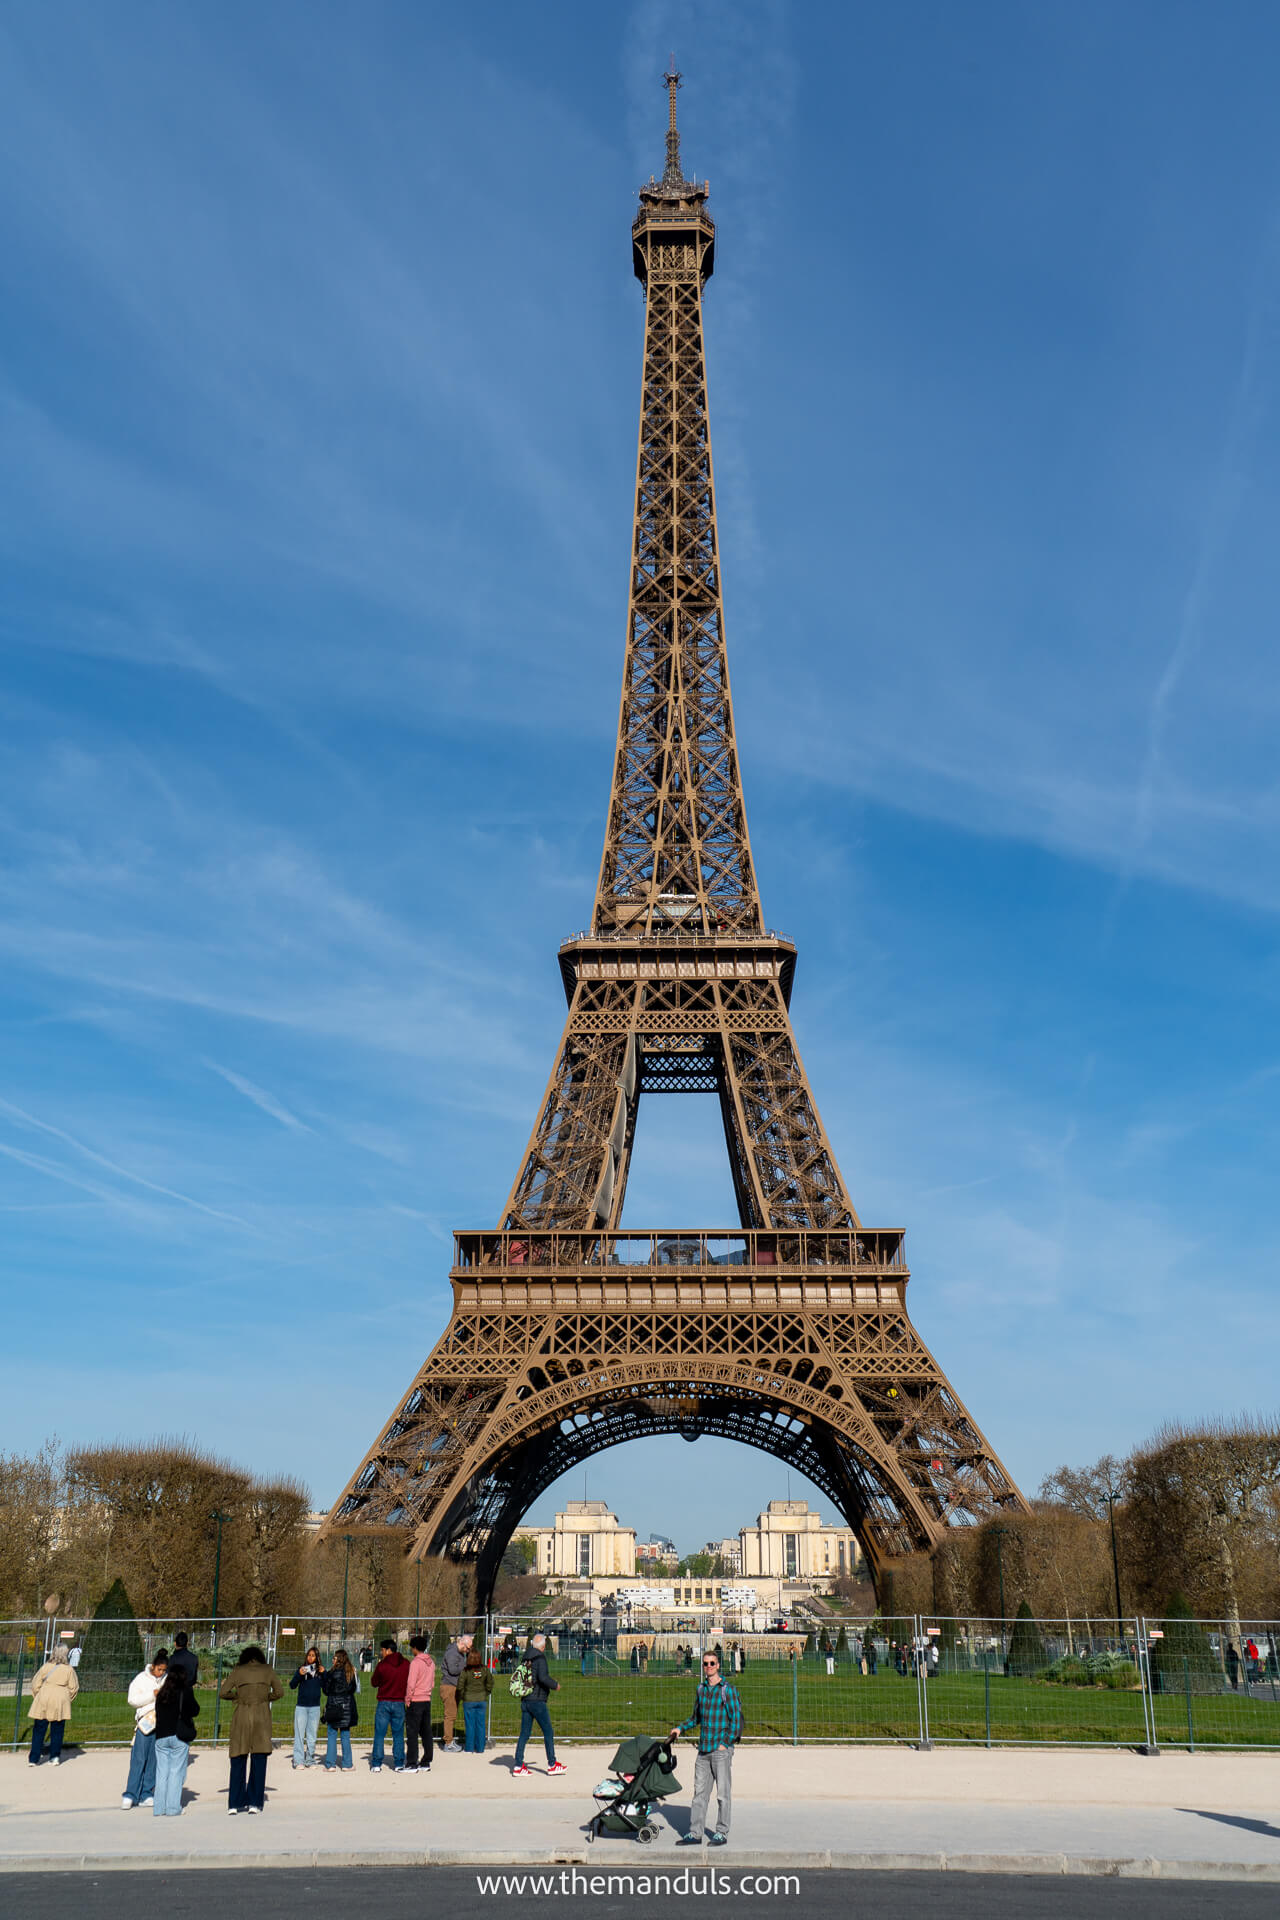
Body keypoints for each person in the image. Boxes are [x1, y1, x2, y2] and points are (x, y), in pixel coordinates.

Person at [670, 1648, 742, 1848]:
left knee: (722, 1794)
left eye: (712, 1663)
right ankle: (695, 1833)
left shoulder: (727, 1690)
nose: (708, 1667)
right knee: (699, 1794)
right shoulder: (701, 1689)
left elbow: (735, 1720)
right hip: (703, 1750)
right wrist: (680, 1728)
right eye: (705, 1663)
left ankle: (721, 1832)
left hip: (720, 1750)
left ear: (718, 1665)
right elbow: (696, 1717)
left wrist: (724, 1744)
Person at [219, 1644, 283, 1815]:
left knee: (238, 1758)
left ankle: (234, 1802)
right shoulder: (267, 1670)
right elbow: (280, 1692)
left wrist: (237, 1697)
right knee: (259, 1759)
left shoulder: (238, 1671)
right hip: (261, 1715)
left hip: (242, 1714)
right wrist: (265, 1697)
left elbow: (223, 1692)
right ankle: (254, 1802)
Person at [511, 1633, 566, 1777]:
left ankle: (518, 1765)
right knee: (548, 1732)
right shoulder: (540, 1658)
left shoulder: (526, 1657)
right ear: (542, 1646)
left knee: (524, 1733)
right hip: (537, 1700)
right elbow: (542, 1677)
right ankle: (552, 1764)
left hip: (526, 1698)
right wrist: (555, 1685)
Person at [152, 1659, 199, 1816]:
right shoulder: (185, 1691)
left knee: (161, 1772)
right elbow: (195, 1710)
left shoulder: (162, 1692)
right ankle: (173, 1808)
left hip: (161, 1736)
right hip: (178, 1735)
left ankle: (159, 1808)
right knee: (176, 1773)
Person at [122, 1649, 168, 1808]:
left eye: (163, 1670)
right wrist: (153, 1695)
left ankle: (146, 1793)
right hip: (145, 1722)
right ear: (153, 1666)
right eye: (158, 1669)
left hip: (161, 1722)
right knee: (138, 1758)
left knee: (153, 1759)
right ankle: (130, 1794)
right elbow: (132, 1700)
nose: (160, 1673)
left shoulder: (166, 1679)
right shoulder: (141, 1679)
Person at [28, 1644, 79, 1766]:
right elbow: (74, 1688)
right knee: (57, 1730)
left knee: (39, 1729)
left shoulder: (45, 1667)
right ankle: (55, 1756)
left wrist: (38, 1697)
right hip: (60, 1699)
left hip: (44, 1698)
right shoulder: (69, 1670)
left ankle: (33, 1759)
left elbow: (35, 1684)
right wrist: (66, 1699)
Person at [370, 1637, 409, 1773]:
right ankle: (398, 1762)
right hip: (399, 1702)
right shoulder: (406, 1664)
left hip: (384, 1701)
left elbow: (374, 1682)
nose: (381, 1652)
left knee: (380, 1734)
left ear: (388, 1650)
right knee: (398, 1734)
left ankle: (376, 1763)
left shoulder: (382, 1665)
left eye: (382, 1650)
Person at [321, 1648, 359, 1770]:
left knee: (332, 1734)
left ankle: (330, 1764)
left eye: (334, 1658)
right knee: (345, 1735)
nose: (332, 1660)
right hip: (346, 1707)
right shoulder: (350, 1673)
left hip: (333, 1706)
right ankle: (347, 1764)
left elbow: (326, 1691)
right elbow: (353, 1689)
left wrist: (325, 1678)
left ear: (338, 1659)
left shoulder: (331, 1673)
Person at [289, 1647, 325, 1769]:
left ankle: (310, 1759)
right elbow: (292, 1685)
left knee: (312, 1735)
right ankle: (298, 1760)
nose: (310, 1658)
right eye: (309, 1655)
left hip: (314, 1707)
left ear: (317, 1657)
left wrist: (324, 1674)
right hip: (301, 1707)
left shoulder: (319, 1673)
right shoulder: (302, 1669)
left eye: (313, 1655)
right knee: (299, 1734)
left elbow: (326, 1689)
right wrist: (299, 1675)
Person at [404, 1634, 435, 1774]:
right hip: (426, 1699)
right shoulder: (431, 1662)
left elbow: (411, 1683)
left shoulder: (415, 1662)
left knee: (412, 1732)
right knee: (426, 1731)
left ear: (415, 1648)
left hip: (416, 1699)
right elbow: (432, 1682)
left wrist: (408, 1698)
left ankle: (412, 1762)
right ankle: (426, 1760)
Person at [438, 1631, 473, 1754]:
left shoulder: (457, 1653)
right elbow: (453, 1670)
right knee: (450, 1715)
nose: (468, 1651)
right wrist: (465, 1667)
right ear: (462, 1643)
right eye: (468, 1648)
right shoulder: (452, 1653)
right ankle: (448, 1743)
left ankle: (450, 1741)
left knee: (452, 1715)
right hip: (449, 1687)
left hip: (453, 1686)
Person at [458, 1645, 494, 1752]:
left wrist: (464, 1695)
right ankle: (480, 1748)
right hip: (481, 1700)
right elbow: (490, 1683)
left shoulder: (465, 1671)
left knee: (470, 1725)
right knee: (481, 1724)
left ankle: (469, 1748)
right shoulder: (485, 1670)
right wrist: (485, 1693)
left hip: (469, 1701)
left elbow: (460, 1686)